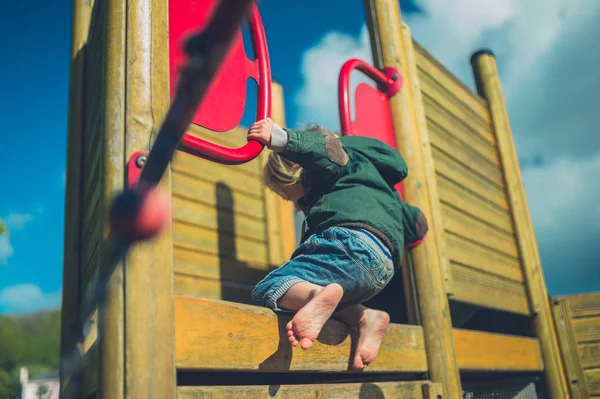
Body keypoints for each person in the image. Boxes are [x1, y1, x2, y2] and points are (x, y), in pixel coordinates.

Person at [248, 118, 428, 369]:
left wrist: (282, 139)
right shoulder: (378, 186)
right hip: (384, 264)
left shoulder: (332, 158)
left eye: (300, 201)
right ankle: (366, 317)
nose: (301, 207)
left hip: (349, 242)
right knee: (336, 299)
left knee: (270, 286)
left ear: (300, 165)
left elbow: (325, 150)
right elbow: (416, 224)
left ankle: (316, 294)